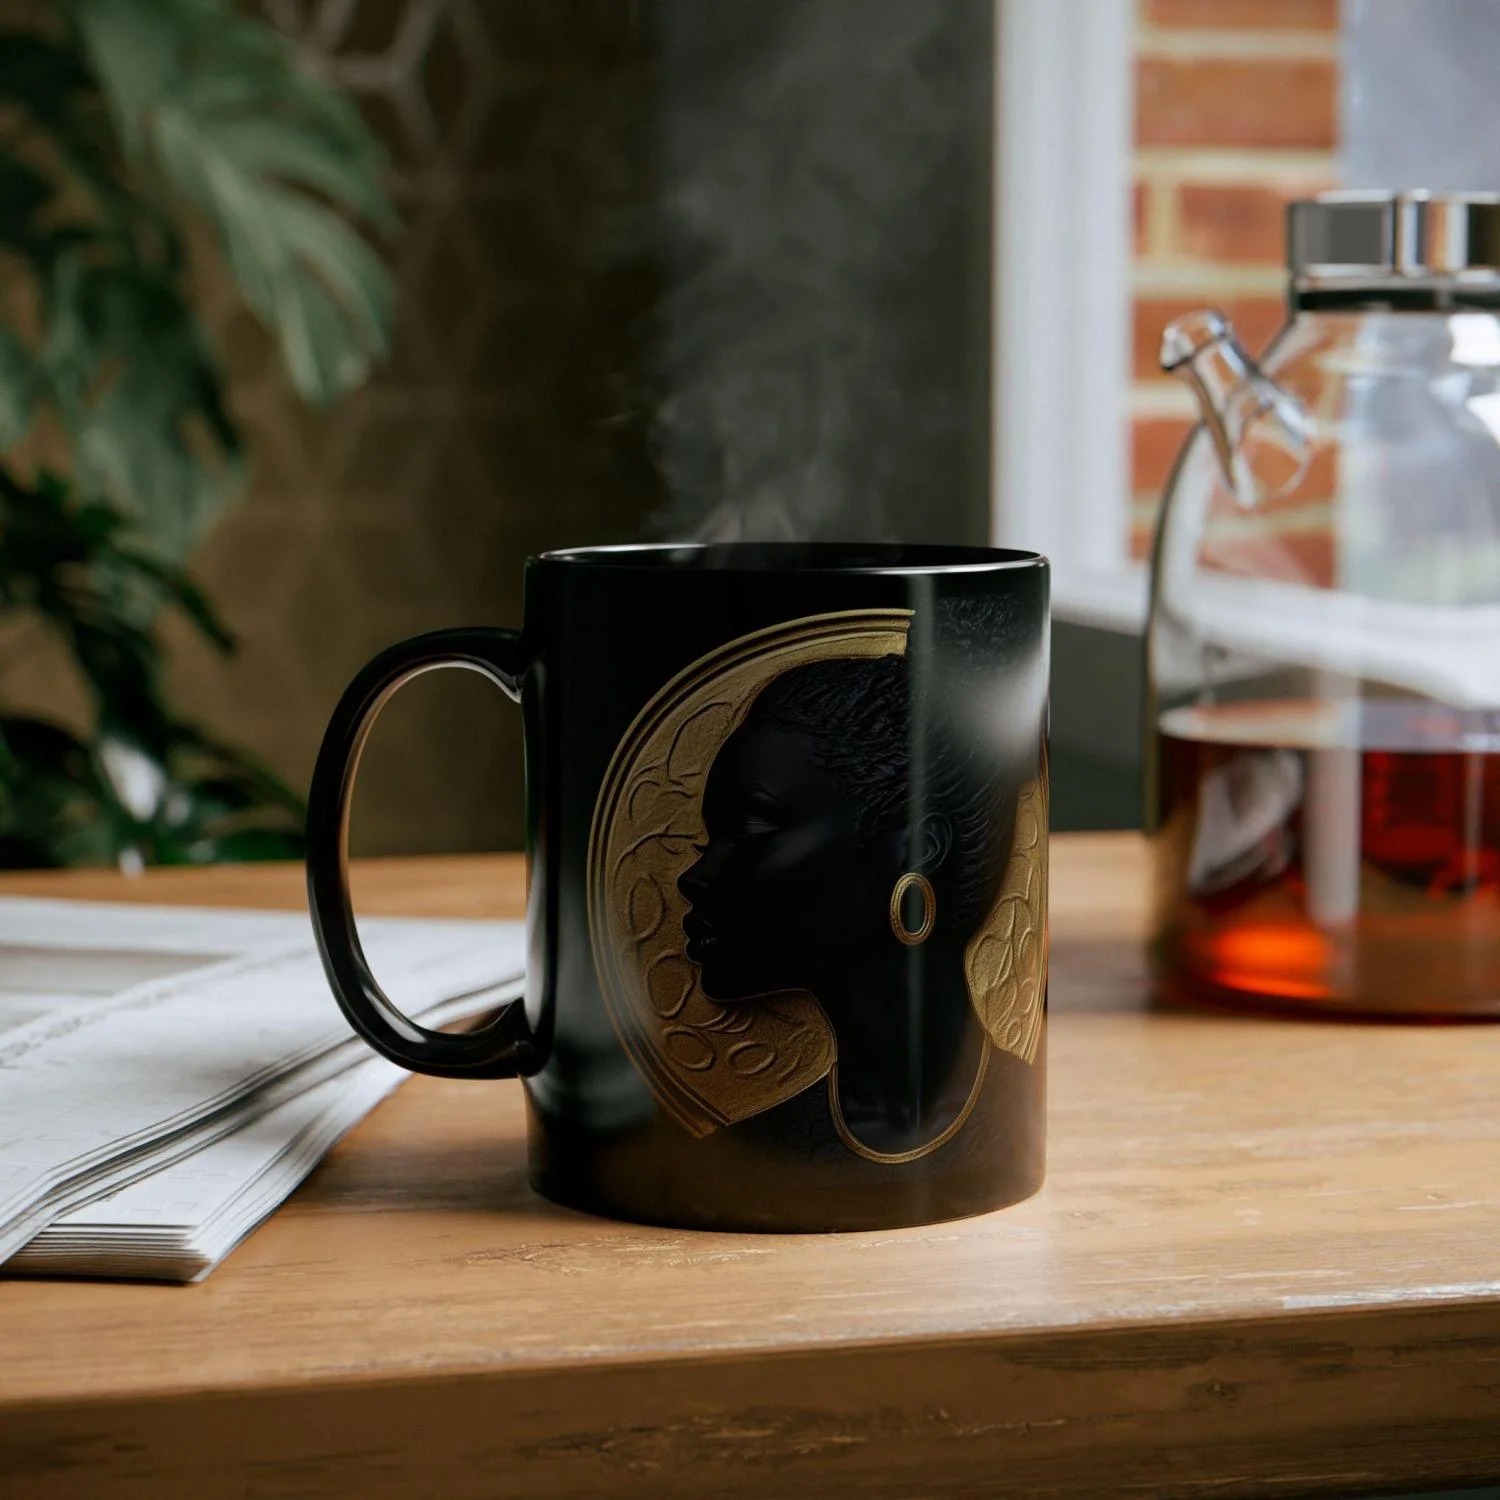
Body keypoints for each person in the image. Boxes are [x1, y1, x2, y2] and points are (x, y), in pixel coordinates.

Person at [676, 597, 1027, 1159]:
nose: (693, 878)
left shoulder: (1014, 1121)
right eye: (708, 841)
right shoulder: (747, 1152)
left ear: (914, 846)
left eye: (749, 828)